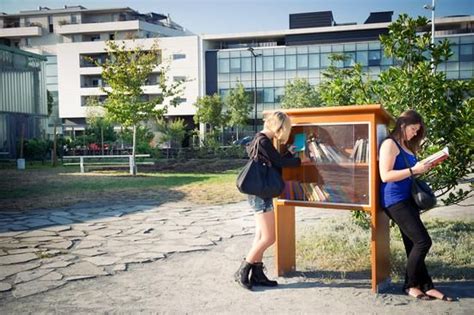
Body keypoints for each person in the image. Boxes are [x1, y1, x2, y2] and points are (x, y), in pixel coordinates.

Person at [379, 109, 457, 301]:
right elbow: (385, 175)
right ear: (403, 125)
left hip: (407, 199)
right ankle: (409, 285)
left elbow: (409, 172)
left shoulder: (406, 145)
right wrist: (414, 170)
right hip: (394, 200)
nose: (415, 133)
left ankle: (426, 286)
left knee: (412, 243)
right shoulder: (390, 144)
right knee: (423, 242)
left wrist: (424, 166)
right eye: (413, 129)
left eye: (417, 130)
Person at [234, 111, 301, 291]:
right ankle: (243, 270)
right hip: (260, 195)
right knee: (270, 237)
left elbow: (275, 161)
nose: (284, 133)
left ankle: (257, 274)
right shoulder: (263, 140)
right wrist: (298, 159)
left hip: (260, 192)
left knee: (261, 236)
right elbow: (279, 162)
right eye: (284, 129)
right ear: (278, 127)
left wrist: (288, 154)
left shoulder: (260, 139)